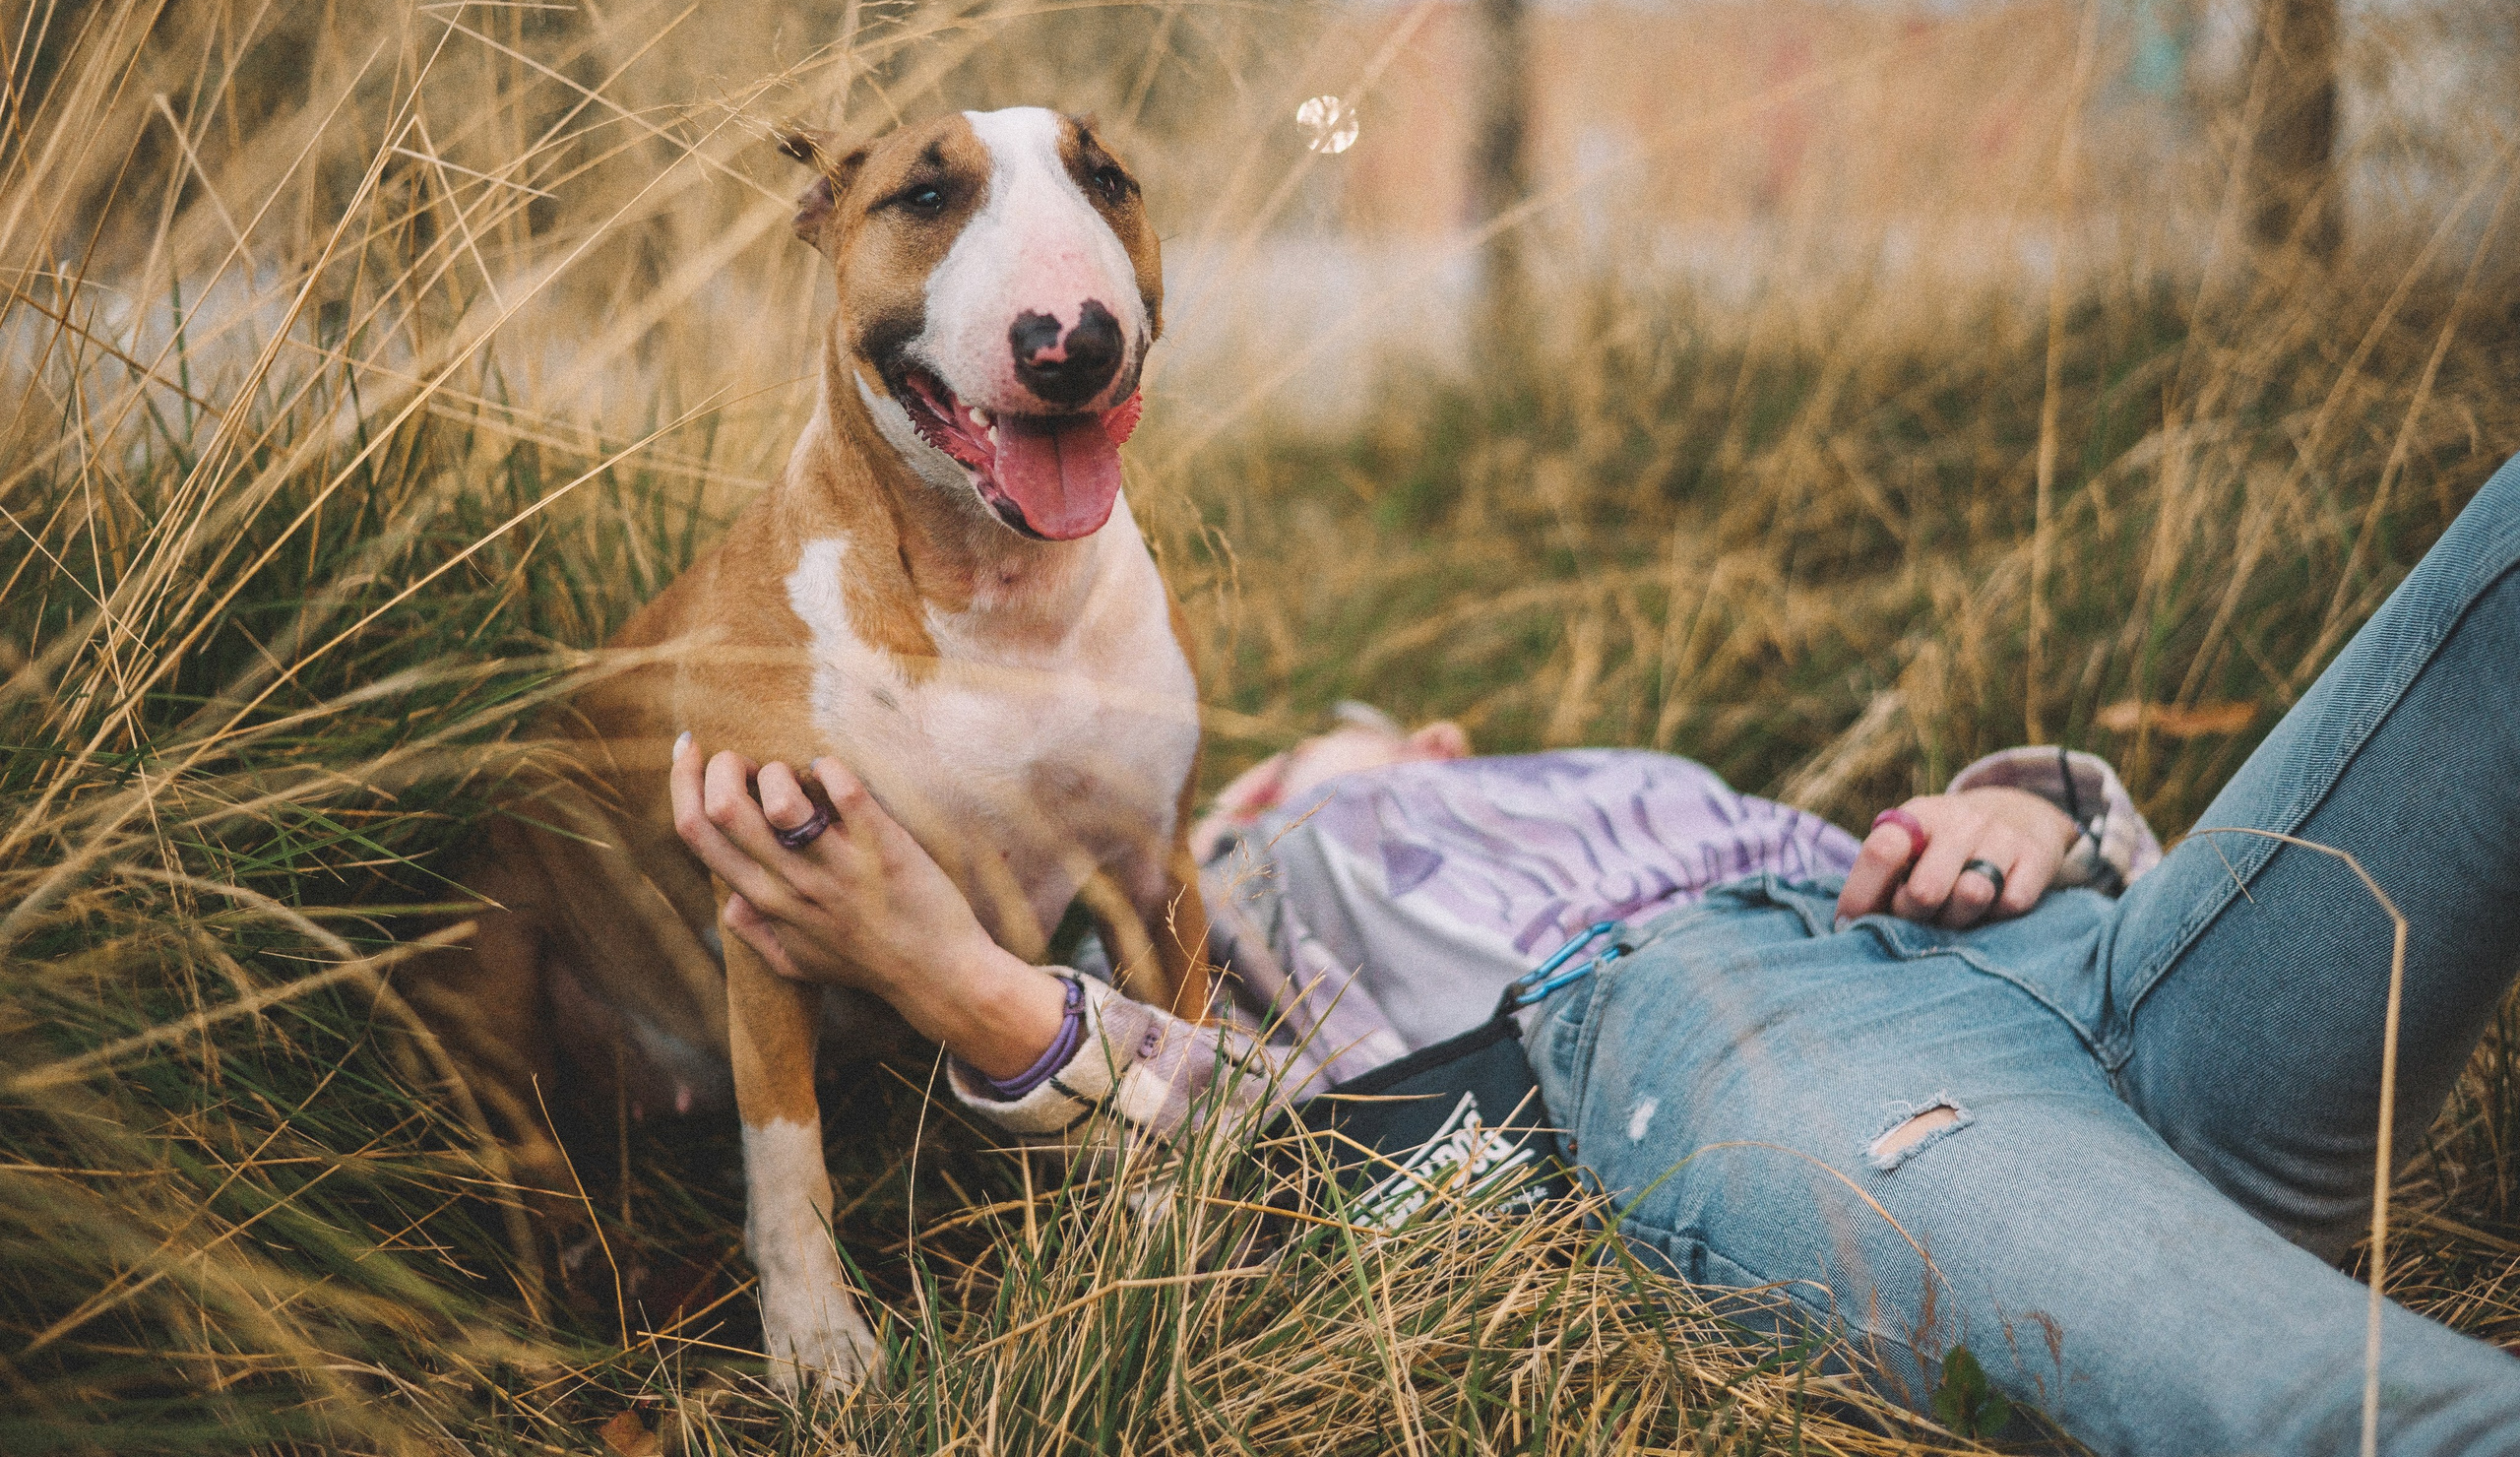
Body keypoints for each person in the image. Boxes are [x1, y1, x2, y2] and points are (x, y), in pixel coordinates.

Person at [668, 453, 2520, 1455]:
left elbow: (2087, 850)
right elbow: (1290, 1163)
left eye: (1300, 770)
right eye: (1238, 803)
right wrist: (958, 977)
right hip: (1740, 1045)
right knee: (2364, 1414)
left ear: (1438, 743)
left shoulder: (1561, 779)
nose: (1256, 793)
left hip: (2093, 964)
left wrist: (2031, 805)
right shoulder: (1258, 899)